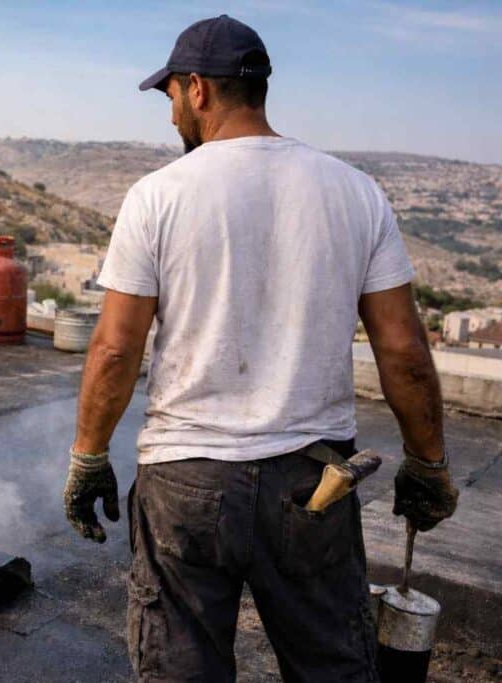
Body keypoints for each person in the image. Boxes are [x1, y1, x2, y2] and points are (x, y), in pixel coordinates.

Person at [61, 15, 458, 682]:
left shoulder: (157, 196)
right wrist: (428, 463)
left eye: (171, 100)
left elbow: (112, 351)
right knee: (332, 667)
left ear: (199, 90)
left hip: (185, 482)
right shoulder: (356, 193)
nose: (171, 118)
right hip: (313, 484)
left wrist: (88, 456)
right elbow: (405, 351)